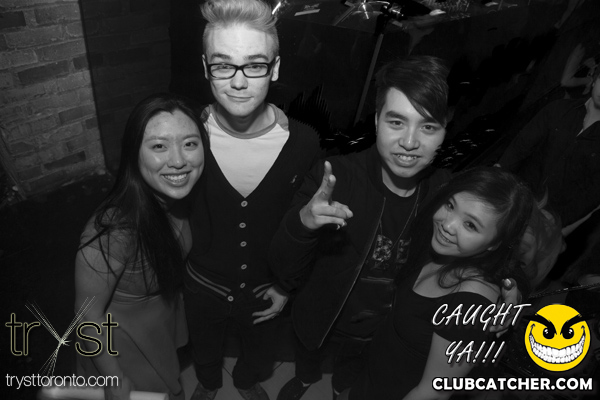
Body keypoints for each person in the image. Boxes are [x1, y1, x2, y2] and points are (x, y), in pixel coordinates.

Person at [272, 56, 521, 400]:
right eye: (396, 122)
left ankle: (340, 390)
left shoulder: (446, 193)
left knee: (350, 376)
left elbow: (490, 242)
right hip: (323, 317)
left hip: (386, 332)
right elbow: (281, 264)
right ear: (377, 120)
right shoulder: (336, 177)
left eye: (428, 127)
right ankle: (304, 379)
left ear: (445, 129)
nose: (409, 142)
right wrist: (303, 224)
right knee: (309, 357)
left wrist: (509, 289)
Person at [183, 1, 322, 399]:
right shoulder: (186, 134)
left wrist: (286, 286)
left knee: (259, 350)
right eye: (223, 65)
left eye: (255, 65)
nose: (238, 82)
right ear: (206, 67)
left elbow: (302, 227)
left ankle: (246, 381)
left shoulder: (304, 142)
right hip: (202, 285)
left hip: (266, 288)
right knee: (204, 347)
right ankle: (209, 383)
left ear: (274, 69)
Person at [343, 167, 534, 400]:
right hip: (371, 378)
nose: (447, 224)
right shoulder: (441, 248)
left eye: (470, 225)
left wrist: (514, 292)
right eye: (450, 205)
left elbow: (433, 392)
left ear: (495, 243)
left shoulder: (469, 307)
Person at [74, 93, 207, 400]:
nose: (178, 160)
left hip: (159, 324)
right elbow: (87, 317)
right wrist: (114, 379)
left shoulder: (179, 198)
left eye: (190, 143)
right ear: (134, 154)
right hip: (121, 346)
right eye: (159, 146)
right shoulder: (112, 232)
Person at [497, 66, 600, 279]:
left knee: (513, 279)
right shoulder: (559, 109)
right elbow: (518, 149)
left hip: (548, 227)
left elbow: (591, 196)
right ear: (595, 78)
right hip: (512, 204)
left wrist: (557, 226)